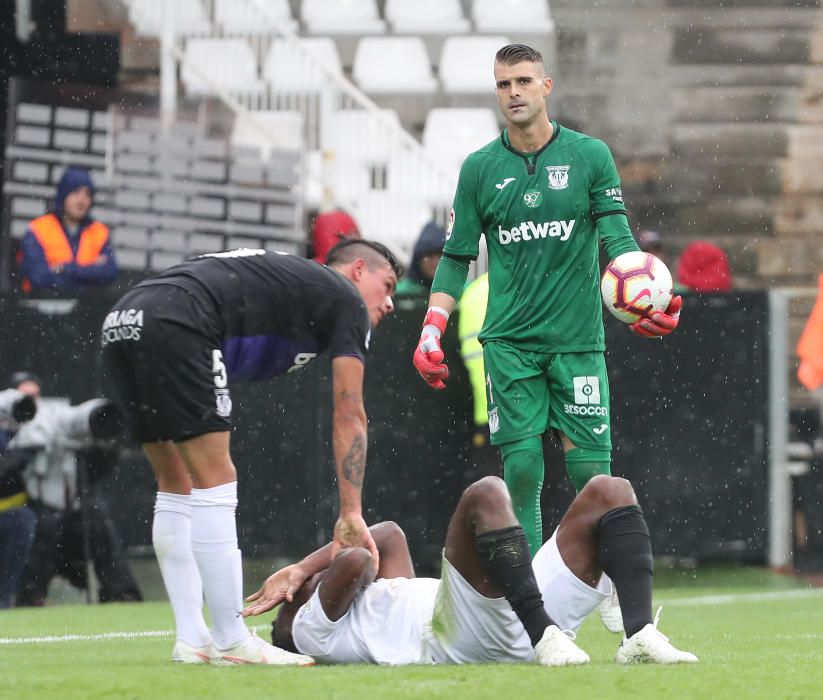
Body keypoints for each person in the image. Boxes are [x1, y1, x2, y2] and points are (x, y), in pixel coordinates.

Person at [412, 43, 683, 560]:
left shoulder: (589, 156)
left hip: (578, 339)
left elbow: (618, 238)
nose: (513, 93)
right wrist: (431, 328)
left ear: (545, 86)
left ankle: (601, 585)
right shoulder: (479, 170)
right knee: (521, 470)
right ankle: (537, 610)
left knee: (591, 474)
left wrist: (649, 298)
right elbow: (456, 256)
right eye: (503, 84)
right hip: (509, 342)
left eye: (523, 81)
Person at [101, 240, 401, 665]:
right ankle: (230, 638)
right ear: (356, 270)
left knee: (176, 484)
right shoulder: (345, 298)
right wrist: (351, 512)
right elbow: (350, 412)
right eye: (386, 285)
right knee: (215, 477)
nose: (389, 303)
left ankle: (192, 639)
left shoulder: (296, 284)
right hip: (179, 318)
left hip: (125, 318)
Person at [245, 474, 697, 667]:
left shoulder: (374, 600)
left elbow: (387, 534)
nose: (305, 583)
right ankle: (544, 635)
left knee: (609, 491)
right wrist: (303, 572)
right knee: (485, 493)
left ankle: (637, 636)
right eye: (301, 588)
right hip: (461, 638)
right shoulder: (305, 631)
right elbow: (358, 558)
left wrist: (304, 566)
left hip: (510, 617)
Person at [8, 373, 142, 606]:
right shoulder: (10, 429)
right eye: (26, 397)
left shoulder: (60, 419)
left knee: (97, 520)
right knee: (41, 525)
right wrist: (25, 450)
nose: (34, 403)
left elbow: (97, 473)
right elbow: (7, 475)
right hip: (33, 507)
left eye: (36, 395)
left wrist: (97, 445)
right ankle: (30, 596)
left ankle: (123, 593)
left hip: (72, 508)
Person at [17, 166, 119, 293]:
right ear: (63, 195)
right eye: (76, 192)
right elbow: (38, 277)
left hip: (86, 309)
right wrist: (89, 274)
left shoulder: (99, 232)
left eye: (87, 194)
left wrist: (65, 269)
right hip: (41, 308)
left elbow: (110, 272)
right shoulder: (39, 229)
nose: (82, 200)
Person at [0, 374, 39, 608]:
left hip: (17, 512)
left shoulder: (34, 431)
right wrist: (13, 459)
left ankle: (7, 598)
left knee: (28, 520)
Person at [394, 221, 446, 297]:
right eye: (430, 254)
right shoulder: (397, 292)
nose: (436, 261)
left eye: (440, 254)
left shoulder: (462, 291)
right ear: (418, 258)